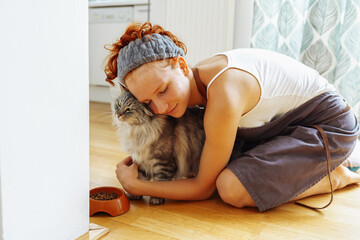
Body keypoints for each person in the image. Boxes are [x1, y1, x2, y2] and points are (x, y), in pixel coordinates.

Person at [105, 22, 360, 212]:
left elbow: (203, 188)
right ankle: (315, 166)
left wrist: (138, 186)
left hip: (328, 127)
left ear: (181, 66)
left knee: (230, 187)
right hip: (280, 130)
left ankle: (333, 176)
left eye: (162, 90)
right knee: (223, 166)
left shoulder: (223, 91)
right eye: (147, 102)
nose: (159, 107)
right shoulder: (196, 80)